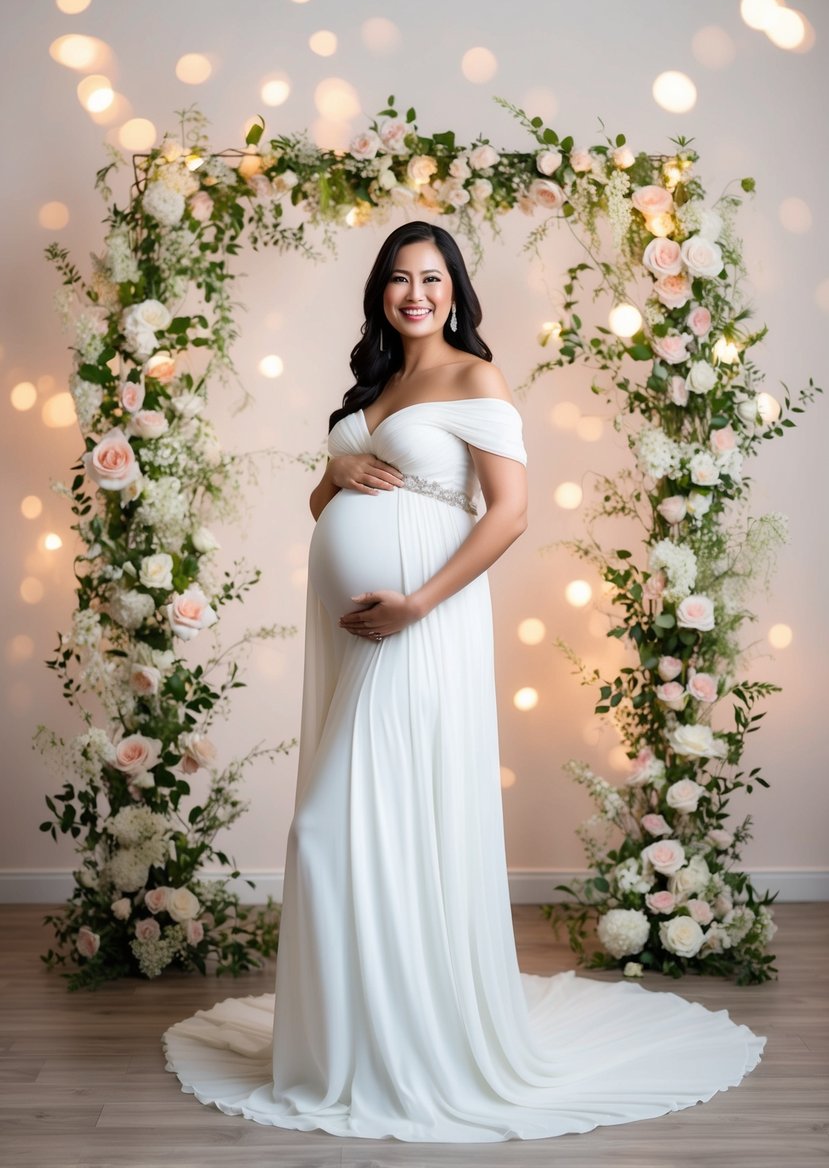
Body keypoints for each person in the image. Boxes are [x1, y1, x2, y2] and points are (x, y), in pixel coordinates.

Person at [162, 221, 766, 1142]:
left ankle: (403, 1048)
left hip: (421, 629)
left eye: (432, 279)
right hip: (359, 634)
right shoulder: (375, 384)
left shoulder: (475, 377)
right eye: (399, 280)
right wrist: (334, 471)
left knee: (337, 825)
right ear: (380, 293)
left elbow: (511, 512)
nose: (415, 294)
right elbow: (323, 502)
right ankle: (356, 1043)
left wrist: (416, 604)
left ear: (454, 292)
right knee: (365, 827)